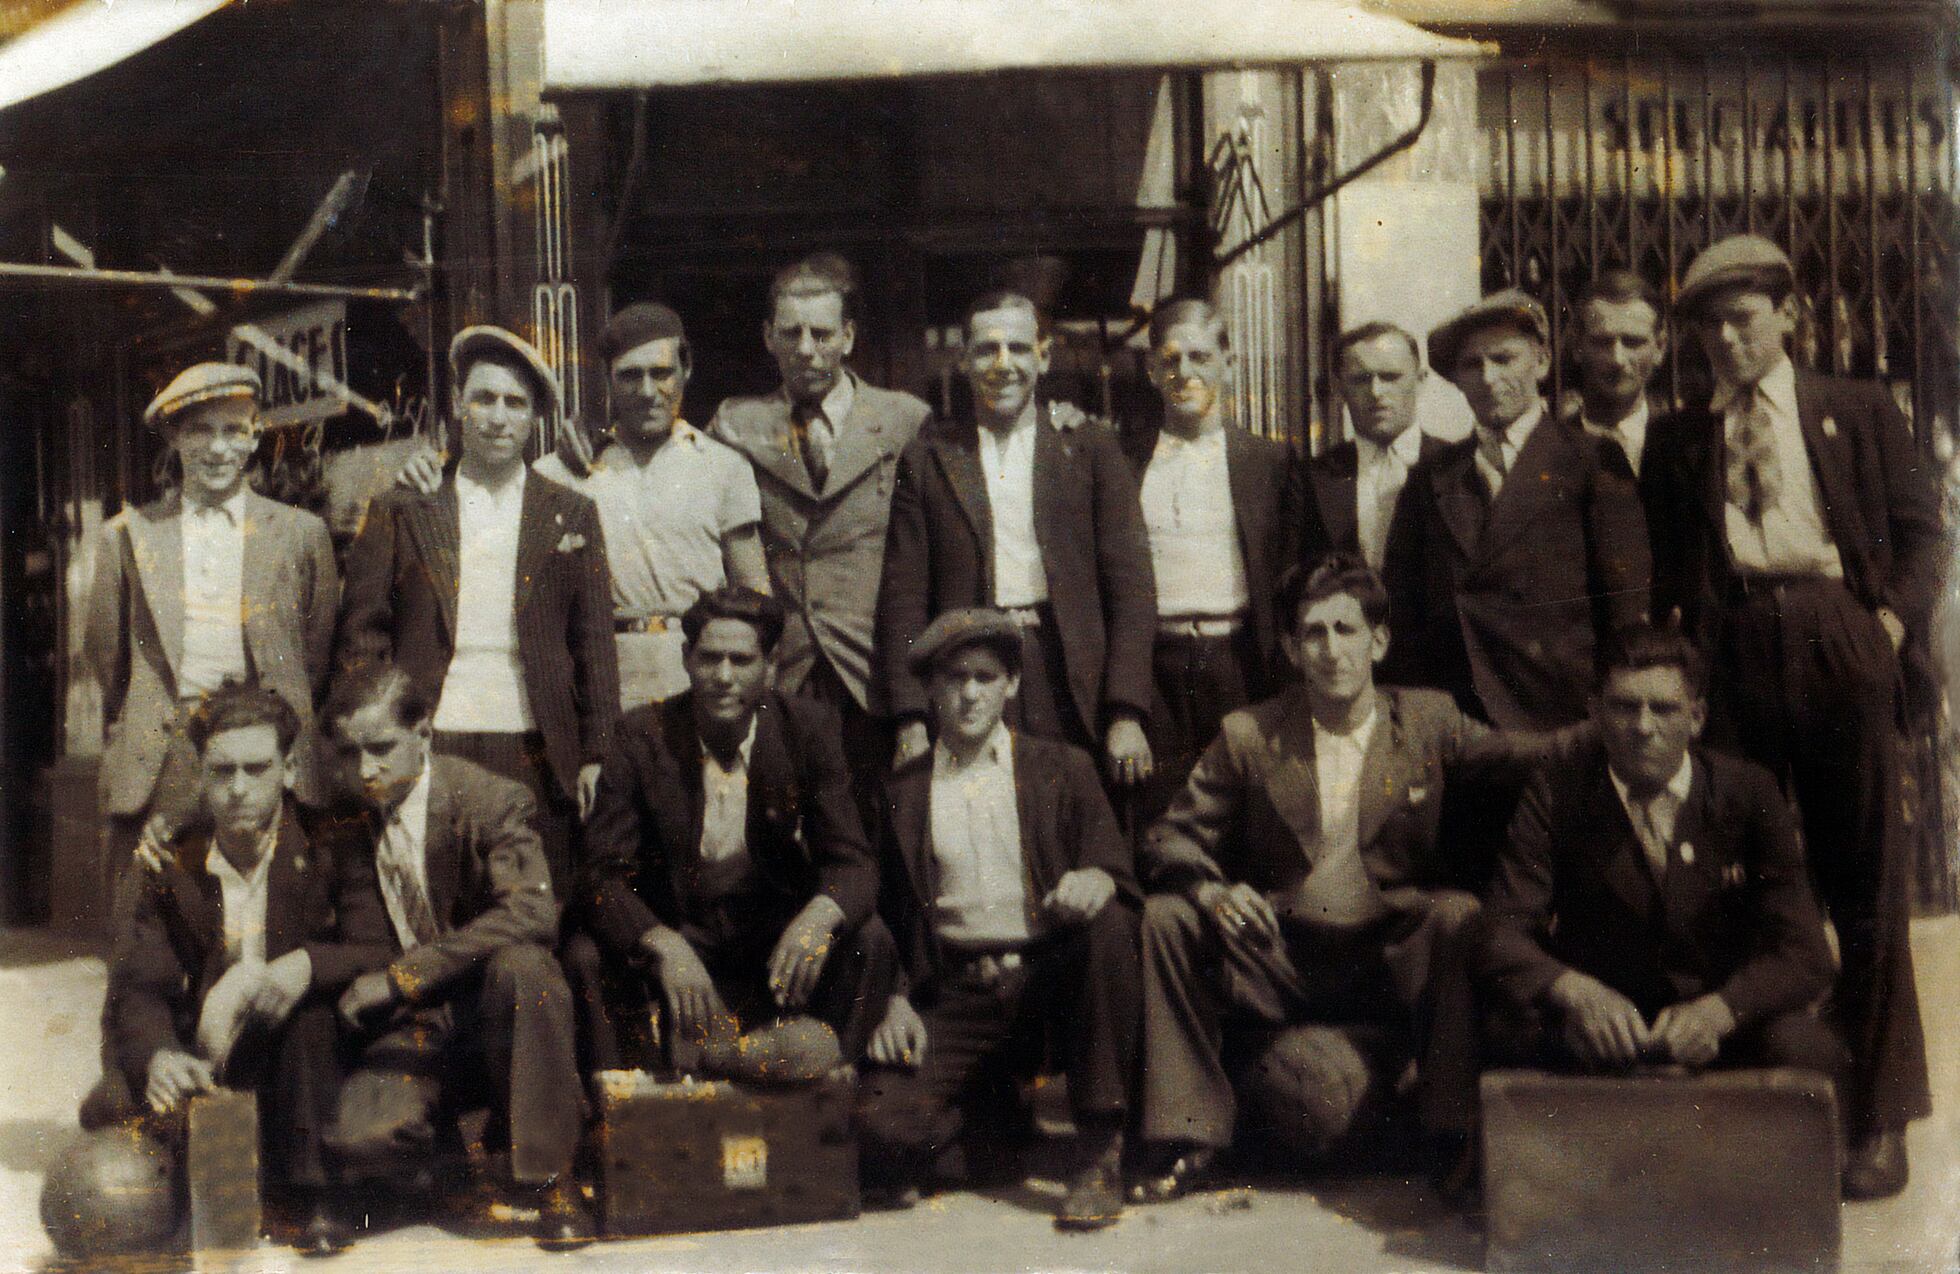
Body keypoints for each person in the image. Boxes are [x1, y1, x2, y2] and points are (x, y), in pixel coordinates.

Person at [1133, 556, 1584, 1202]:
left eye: (1347, 631)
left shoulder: (1426, 719)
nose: (1331, 650)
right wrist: (1211, 890)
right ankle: (1189, 1136)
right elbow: (1167, 836)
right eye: (1313, 633)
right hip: (1280, 953)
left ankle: (1449, 1137)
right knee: (1168, 920)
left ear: (1379, 641)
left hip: (1388, 956)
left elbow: (1523, 756)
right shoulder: (1251, 733)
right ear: (1291, 648)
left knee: (1455, 915)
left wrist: (1612, 733)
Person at [1643, 234, 1940, 1199]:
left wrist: (1887, 623)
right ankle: (1771, 1101)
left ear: (1787, 316)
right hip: (1731, 650)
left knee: (1868, 883)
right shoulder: (1684, 436)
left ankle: (1880, 1122)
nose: (1727, 341)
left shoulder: (1854, 408)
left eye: (1744, 319)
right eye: (1709, 327)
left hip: (1838, 635)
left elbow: (1924, 532)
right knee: (1750, 883)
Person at [1475, 622, 1854, 1183]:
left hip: (1720, 1026)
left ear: (1696, 717)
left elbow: (1805, 953)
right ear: (1595, 712)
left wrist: (1722, 1011)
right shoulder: (1556, 790)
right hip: (1602, 1029)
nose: (1643, 728)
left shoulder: (1749, 793)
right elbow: (1498, 931)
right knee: (1503, 1028)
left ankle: (1786, 1205)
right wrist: (1574, 992)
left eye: (1663, 709)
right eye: (1624, 708)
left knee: (1810, 1049)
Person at [857, 609, 1142, 1231]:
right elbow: (885, 912)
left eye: (986, 677)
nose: (969, 694)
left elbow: (1115, 871)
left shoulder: (1062, 768)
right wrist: (895, 999)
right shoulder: (902, 790)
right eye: (954, 677)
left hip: (1049, 982)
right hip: (957, 990)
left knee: (1111, 925)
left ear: (1012, 685)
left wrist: (1093, 880)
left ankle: (1098, 1151)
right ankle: (997, 1122)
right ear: (930, 688)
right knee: (880, 1126)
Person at [314, 661, 593, 1250]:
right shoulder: (344, 818)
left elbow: (533, 912)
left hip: (487, 1009)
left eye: (382, 748)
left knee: (527, 969)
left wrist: (405, 974)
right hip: (408, 1025)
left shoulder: (489, 801)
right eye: (349, 753)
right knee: (363, 1141)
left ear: (425, 735)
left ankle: (553, 1179)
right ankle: (447, 1156)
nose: (366, 771)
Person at [337, 326, 619, 897]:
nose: (497, 417)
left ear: (534, 417)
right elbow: (364, 635)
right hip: (435, 735)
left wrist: (595, 753)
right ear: (458, 406)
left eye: (515, 403)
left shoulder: (572, 513)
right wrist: (380, 736)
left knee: (531, 902)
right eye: (484, 398)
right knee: (441, 899)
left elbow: (593, 644)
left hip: (536, 742)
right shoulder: (406, 506)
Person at [578, 586, 897, 1076]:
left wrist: (819, 915)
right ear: (686, 659)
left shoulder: (807, 728)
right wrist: (662, 943)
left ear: (770, 666)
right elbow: (600, 875)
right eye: (709, 658)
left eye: (741, 660)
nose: (724, 677)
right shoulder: (641, 735)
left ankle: (828, 1090)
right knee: (588, 954)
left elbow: (853, 860)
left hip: (770, 937)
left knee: (869, 938)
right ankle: (640, 1112)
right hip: (683, 927)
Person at [82, 680, 351, 1256]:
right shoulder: (174, 858)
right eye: (221, 770)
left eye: (257, 769)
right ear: (200, 772)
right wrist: (156, 1055)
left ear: (289, 767)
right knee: (115, 1154)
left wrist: (306, 966)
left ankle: (313, 1195)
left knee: (308, 1020)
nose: (237, 789)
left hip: (301, 1053)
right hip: (211, 1049)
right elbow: (140, 988)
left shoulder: (330, 846)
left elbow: (371, 945)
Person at [400, 305, 769, 709]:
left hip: (700, 672)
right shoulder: (562, 471)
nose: (647, 391)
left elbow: (754, 597)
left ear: (686, 370)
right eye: (630, 376)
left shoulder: (724, 467)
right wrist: (432, 468)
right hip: (598, 677)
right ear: (607, 381)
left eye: (660, 373)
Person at [875, 290, 1157, 793]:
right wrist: (910, 719)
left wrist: (1125, 710)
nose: (1003, 365)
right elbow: (903, 598)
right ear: (962, 360)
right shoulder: (927, 460)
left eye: (1019, 349)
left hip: (1068, 677)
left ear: (1043, 357)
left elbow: (1131, 588)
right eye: (986, 350)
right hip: (970, 677)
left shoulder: (1089, 448)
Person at [87, 362, 339, 864]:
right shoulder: (128, 535)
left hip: (262, 747)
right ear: (176, 439)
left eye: (233, 431)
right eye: (201, 431)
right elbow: (107, 659)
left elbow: (313, 653)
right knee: (159, 915)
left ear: (254, 438)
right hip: (166, 754)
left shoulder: (301, 533)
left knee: (266, 922)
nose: (218, 448)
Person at [710, 255, 932, 809]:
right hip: (785, 670)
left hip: (873, 672)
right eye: (791, 333)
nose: (806, 348)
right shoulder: (736, 426)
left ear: (848, 337)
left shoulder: (905, 420)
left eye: (821, 333)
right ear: (768, 337)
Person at [1388, 289, 1652, 731]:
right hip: (1460, 724)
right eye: (1472, 365)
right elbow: (1404, 609)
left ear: (1542, 362)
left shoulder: (1591, 462)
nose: (1489, 378)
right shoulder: (1432, 477)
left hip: (1561, 716)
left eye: (1504, 359)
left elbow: (1625, 609)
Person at [1119, 297, 1313, 826]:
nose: (1186, 373)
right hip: (1153, 668)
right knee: (1162, 816)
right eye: (1171, 359)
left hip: (1239, 663)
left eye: (1201, 357)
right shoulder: (1121, 460)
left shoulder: (1270, 462)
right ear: (1153, 369)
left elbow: (1292, 580)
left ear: (1228, 362)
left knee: (1249, 815)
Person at [1309, 322, 1449, 685]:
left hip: (1438, 671)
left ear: (1420, 380)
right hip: (1343, 672)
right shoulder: (1315, 476)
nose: (1376, 392)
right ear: (1339, 388)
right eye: (1360, 379)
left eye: (1390, 377)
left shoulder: (1456, 468)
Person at [1562, 269, 1669, 477]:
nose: (1617, 359)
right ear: (1577, 347)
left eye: (1633, 342)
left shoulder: (1685, 446)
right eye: (1602, 343)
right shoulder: (1550, 449)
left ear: (1660, 348)